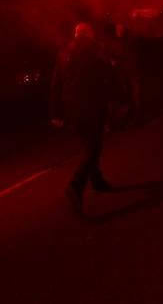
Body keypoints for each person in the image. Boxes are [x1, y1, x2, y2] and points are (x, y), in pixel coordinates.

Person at [51, 22, 115, 216]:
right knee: (94, 149)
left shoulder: (64, 54)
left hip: (73, 111)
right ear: (88, 36)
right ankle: (76, 186)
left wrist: (56, 112)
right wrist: (120, 98)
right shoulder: (94, 53)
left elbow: (56, 84)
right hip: (92, 108)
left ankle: (97, 180)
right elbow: (108, 77)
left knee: (89, 146)